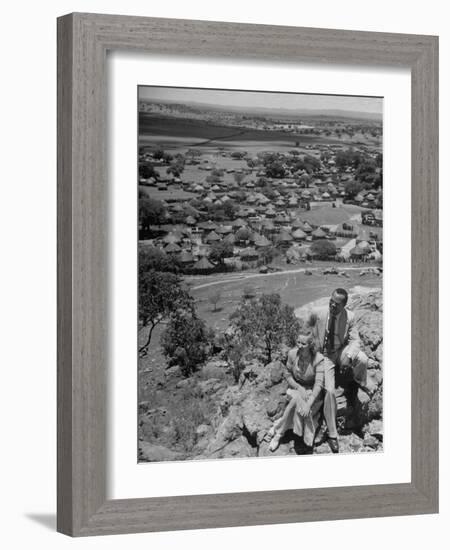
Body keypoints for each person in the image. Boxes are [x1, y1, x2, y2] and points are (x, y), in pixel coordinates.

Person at [308, 288, 376, 443]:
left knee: (363, 359)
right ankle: (332, 433)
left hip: (340, 350)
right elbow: (308, 326)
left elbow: (355, 340)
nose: (332, 305)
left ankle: (360, 381)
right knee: (330, 391)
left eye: (336, 304)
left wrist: (349, 356)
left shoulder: (350, 316)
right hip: (325, 355)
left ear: (343, 305)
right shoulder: (318, 312)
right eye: (331, 301)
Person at [268, 332, 339, 453]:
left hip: (313, 393)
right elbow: (288, 374)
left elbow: (318, 384)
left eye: (303, 343)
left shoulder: (318, 359)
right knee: (296, 399)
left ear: (310, 344)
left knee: (297, 402)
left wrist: (308, 404)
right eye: (298, 342)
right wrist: (298, 387)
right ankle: (280, 433)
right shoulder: (292, 354)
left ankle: (279, 431)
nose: (300, 346)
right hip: (297, 389)